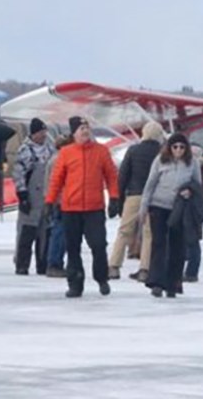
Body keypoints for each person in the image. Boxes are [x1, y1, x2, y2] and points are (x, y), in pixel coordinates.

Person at [45, 116, 121, 298]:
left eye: (87, 128)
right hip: (71, 208)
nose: (85, 131)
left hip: (94, 208)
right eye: (81, 129)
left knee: (98, 245)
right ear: (74, 133)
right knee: (72, 248)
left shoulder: (101, 151)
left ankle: (102, 278)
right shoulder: (66, 153)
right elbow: (56, 180)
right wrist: (50, 201)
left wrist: (114, 198)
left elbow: (111, 176)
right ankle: (75, 283)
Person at [140, 133, 201, 298]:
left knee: (177, 246)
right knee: (159, 244)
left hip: (179, 208)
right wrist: (144, 207)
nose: (178, 150)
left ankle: (173, 283)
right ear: (169, 148)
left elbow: (198, 184)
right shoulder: (160, 160)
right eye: (175, 147)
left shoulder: (192, 163)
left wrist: (191, 191)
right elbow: (150, 184)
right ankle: (157, 282)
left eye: (182, 147)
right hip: (158, 206)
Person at [109, 121, 164, 281]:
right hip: (154, 198)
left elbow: (123, 176)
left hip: (134, 195)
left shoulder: (133, 150)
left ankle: (113, 266)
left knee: (124, 231)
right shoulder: (162, 153)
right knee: (149, 234)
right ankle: (144, 269)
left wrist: (117, 199)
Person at [12, 118, 55, 275]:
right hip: (31, 197)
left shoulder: (50, 150)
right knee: (27, 231)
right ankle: (22, 264)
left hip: (47, 196)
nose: (44, 135)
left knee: (45, 233)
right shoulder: (25, 150)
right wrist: (22, 194)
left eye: (45, 132)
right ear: (34, 133)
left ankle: (42, 264)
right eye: (41, 132)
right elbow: (18, 174)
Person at [43, 135, 72, 278]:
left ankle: (54, 263)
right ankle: (54, 263)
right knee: (60, 234)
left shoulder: (54, 159)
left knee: (58, 232)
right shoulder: (60, 160)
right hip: (62, 201)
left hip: (57, 200)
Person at [184, 145, 203, 283]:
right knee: (193, 242)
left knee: (191, 243)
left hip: (191, 211)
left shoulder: (195, 173)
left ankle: (190, 272)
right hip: (197, 212)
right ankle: (190, 272)